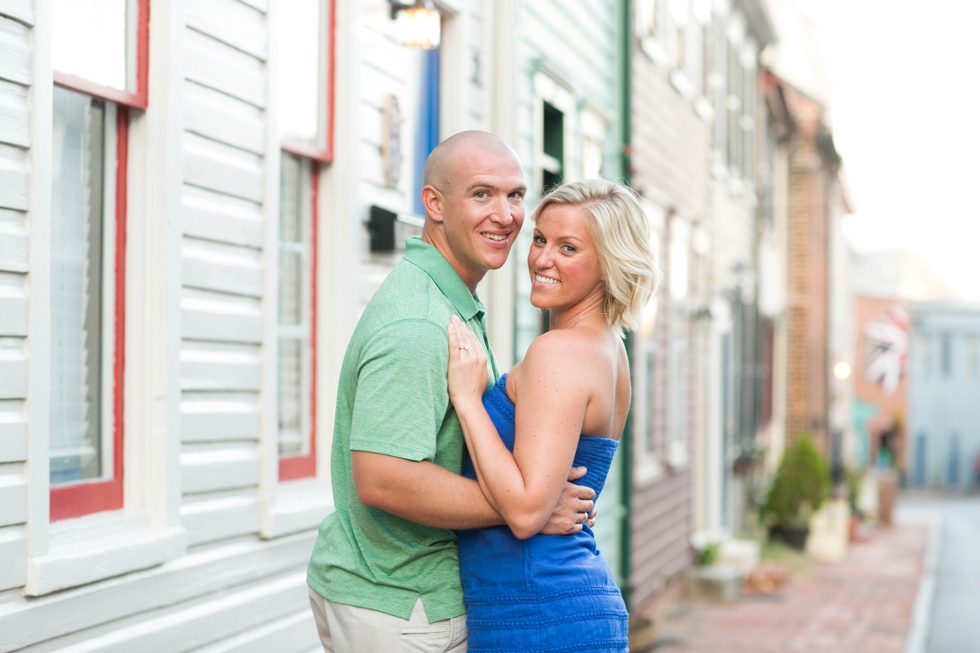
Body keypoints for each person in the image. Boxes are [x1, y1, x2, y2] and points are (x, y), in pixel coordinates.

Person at [306, 131, 599, 652]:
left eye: (515, 195)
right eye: (482, 193)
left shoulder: (444, 299)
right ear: (434, 203)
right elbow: (383, 479)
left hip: (403, 596)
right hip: (403, 602)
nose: (506, 215)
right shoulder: (420, 322)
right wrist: (524, 507)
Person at [446, 179, 658, 652]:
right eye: (540, 239)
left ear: (608, 264)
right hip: (552, 605)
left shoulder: (559, 352)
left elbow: (524, 511)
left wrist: (467, 401)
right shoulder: (609, 349)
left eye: (568, 247)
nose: (542, 260)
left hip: (538, 611)